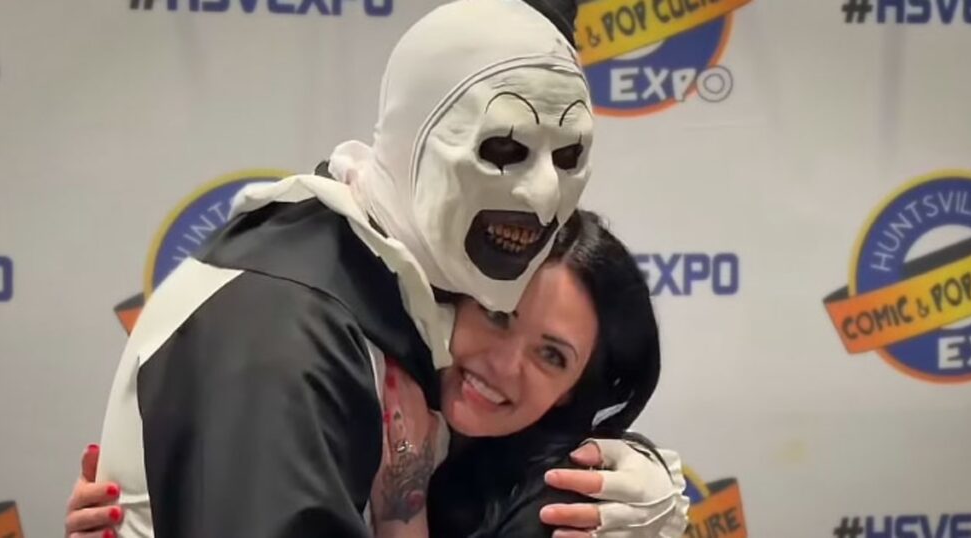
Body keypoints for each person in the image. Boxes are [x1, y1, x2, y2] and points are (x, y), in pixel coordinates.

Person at [92, 0, 687, 536]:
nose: (542, 193)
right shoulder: (289, 324)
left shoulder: (395, 296)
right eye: (505, 149)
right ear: (413, 138)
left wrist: (639, 476)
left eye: (569, 155)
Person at [68, 210, 689, 538]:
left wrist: (401, 513)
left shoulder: (573, 497)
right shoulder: (356, 393)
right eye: (498, 316)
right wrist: (155, 511)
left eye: (551, 356)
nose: (504, 364)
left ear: (571, 392)